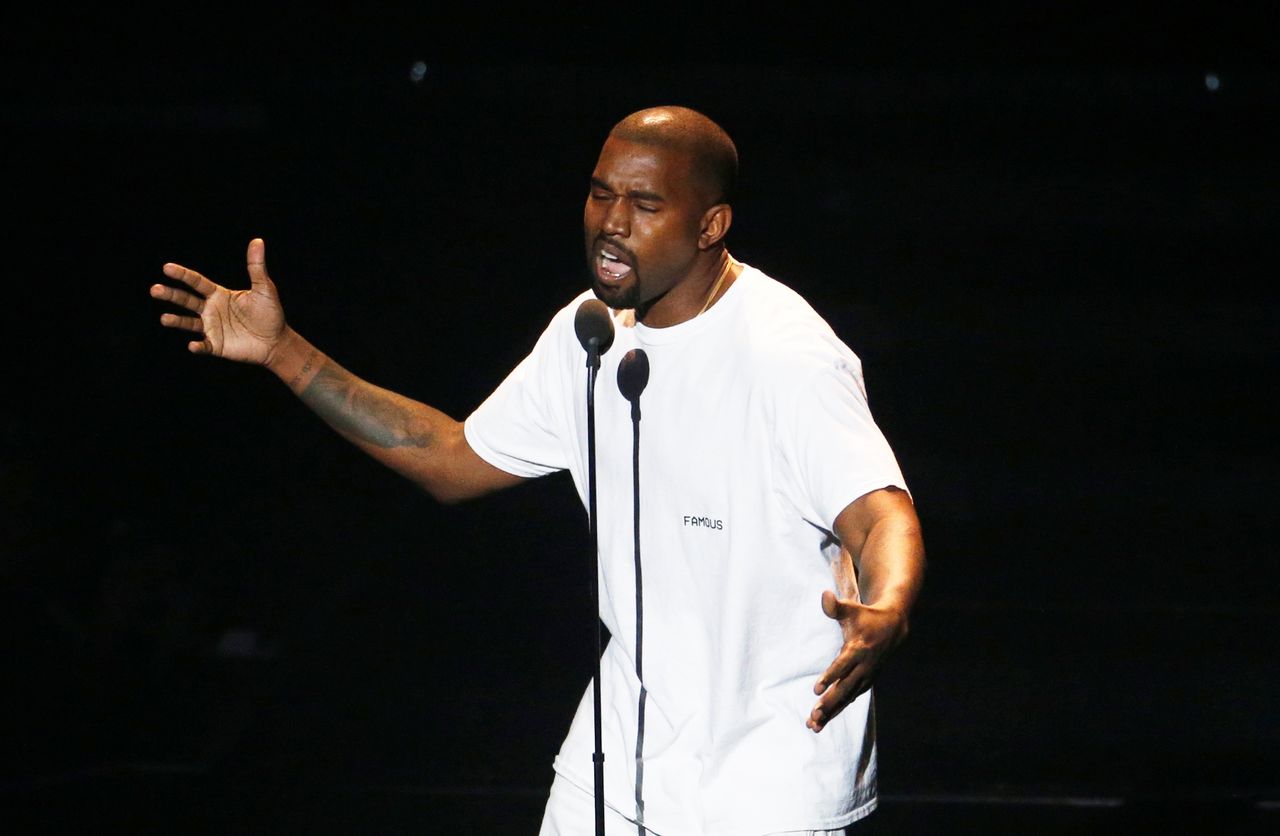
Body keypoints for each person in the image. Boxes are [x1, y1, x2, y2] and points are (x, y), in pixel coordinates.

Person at [150, 106, 925, 835]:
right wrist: (284, 353)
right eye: (600, 194)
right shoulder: (586, 333)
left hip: (770, 779)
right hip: (617, 764)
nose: (611, 224)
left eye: (645, 204)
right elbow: (451, 460)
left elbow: (880, 512)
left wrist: (886, 607)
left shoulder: (785, 355)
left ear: (710, 226)